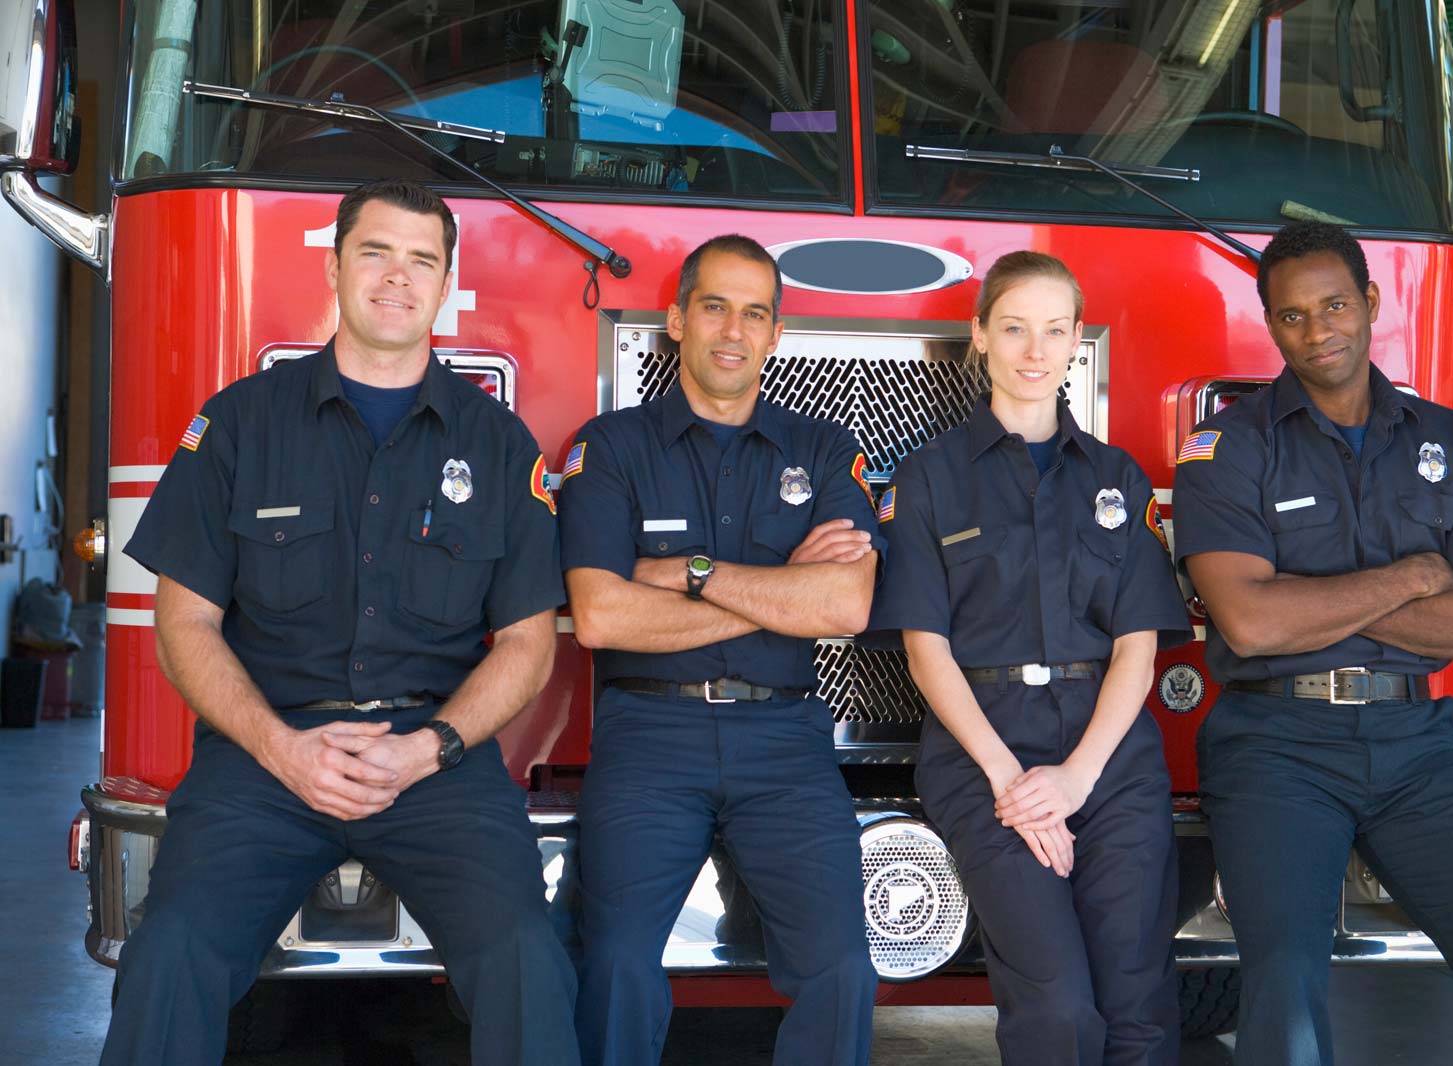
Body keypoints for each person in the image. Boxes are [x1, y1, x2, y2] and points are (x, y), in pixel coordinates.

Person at [101, 179, 580, 1066]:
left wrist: (425, 748)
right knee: (168, 952)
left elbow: (525, 644)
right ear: (334, 268)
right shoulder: (239, 424)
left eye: (421, 261)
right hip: (263, 762)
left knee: (528, 956)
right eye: (376, 252)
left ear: (444, 286)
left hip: (436, 766)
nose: (398, 277)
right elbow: (185, 625)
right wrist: (285, 749)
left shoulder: (500, 444)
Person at [1173, 220, 1453, 1066]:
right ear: (1271, 325)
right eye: (1291, 316)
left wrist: (1308, 598)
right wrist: (1412, 577)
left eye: (1334, 304)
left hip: (1416, 749)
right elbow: (1250, 625)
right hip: (1274, 747)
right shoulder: (1225, 449)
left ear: (1369, 303)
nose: (1317, 329)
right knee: (1284, 984)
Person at [559, 234, 881, 1066]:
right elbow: (599, 616)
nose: (733, 330)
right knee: (616, 964)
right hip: (647, 739)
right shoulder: (611, 446)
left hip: (786, 745)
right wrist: (779, 595)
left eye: (755, 313)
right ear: (675, 321)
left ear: (776, 334)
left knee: (844, 968)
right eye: (714, 307)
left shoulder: (823, 448)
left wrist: (689, 574)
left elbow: (844, 604)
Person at [870, 250, 1192, 1065]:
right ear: (979, 336)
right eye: (1013, 327)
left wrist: (1077, 777)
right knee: (1055, 1002)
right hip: (986, 756)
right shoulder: (930, 479)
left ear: (1078, 340)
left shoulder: (1118, 477)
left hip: (1110, 758)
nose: (1034, 350)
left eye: (1054, 330)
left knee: (1138, 1000)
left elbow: (1137, 648)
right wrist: (1013, 783)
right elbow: (925, 649)